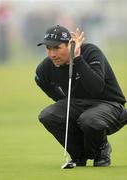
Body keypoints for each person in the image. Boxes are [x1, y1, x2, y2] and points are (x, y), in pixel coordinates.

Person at [35, 25, 127, 167]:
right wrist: (65, 105)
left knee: (89, 119)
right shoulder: (47, 66)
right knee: (48, 115)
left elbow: (96, 88)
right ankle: (78, 156)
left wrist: (77, 59)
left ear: (70, 45)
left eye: (56, 48)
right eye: (48, 48)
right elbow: (41, 80)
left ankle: (101, 150)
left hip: (109, 104)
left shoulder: (90, 52)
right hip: (79, 105)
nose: (52, 54)